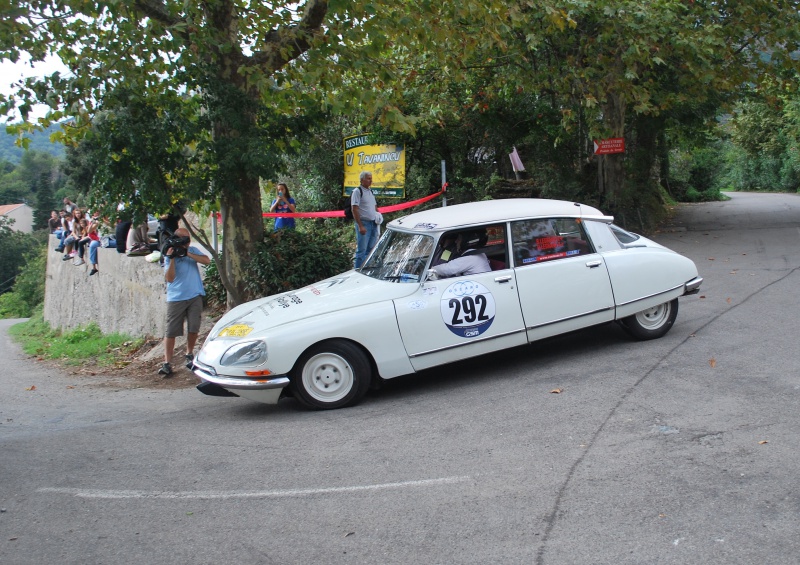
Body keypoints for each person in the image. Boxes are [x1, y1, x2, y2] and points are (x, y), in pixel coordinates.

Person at [158, 228, 211, 377]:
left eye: (188, 239)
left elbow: (207, 261)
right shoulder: (169, 254)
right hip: (176, 297)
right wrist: (173, 257)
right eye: (184, 239)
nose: (187, 242)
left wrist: (187, 252)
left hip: (195, 295)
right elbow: (170, 278)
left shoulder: (192, 250)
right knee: (171, 331)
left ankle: (189, 354)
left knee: (194, 327)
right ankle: (167, 362)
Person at [351, 171, 380, 269]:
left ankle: (366, 269)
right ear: (362, 180)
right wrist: (360, 226)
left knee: (370, 249)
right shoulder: (357, 191)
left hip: (373, 223)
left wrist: (378, 215)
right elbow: (354, 209)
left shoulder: (370, 191)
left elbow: (374, 206)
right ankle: (358, 271)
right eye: (368, 178)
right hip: (364, 223)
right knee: (361, 250)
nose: (370, 180)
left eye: (371, 178)